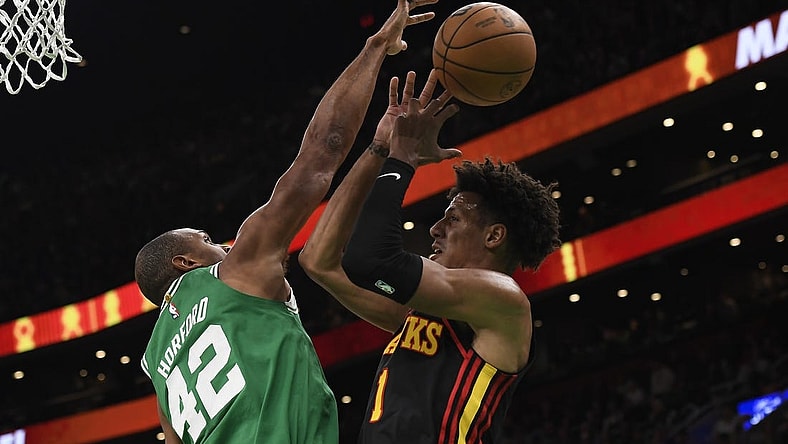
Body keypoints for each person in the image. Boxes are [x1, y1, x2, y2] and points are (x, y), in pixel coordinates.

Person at [134, 1, 440, 442]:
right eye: (204, 239)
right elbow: (322, 153)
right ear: (184, 262)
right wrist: (375, 49)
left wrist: (377, 152)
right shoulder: (233, 272)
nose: (219, 242)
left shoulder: (157, 370)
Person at [299, 69, 562, 443]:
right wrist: (379, 149)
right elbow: (318, 260)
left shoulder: (504, 301)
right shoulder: (421, 312)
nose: (436, 230)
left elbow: (370, 260)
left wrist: (402, 159)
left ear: (494, 236)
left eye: (452, 219)